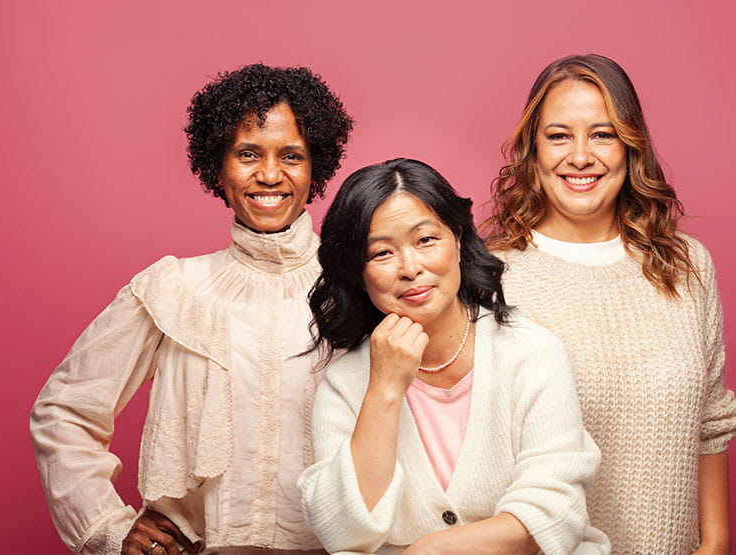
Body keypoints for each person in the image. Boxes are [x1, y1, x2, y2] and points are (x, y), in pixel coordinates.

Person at [30, 63, 353, 554]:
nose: (270, 174)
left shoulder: (356, 286)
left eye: (291, 156)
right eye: (248, 154)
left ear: (315, 169)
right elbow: (64, 411)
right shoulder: (172, 289)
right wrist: (106, 526)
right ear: (218, 168)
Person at [483, 54, 736, 554]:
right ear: (533, 150)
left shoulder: (687, 266)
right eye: (559, 136)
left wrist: (715, 542)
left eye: (602, 135)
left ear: (631, 147)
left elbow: (711, 424)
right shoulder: (492, 276)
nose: (581, 156)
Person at [298, 158, 609, 555]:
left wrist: (432, 550)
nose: (410, 268)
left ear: (458, 240)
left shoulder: (531, 354)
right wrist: (384, 390)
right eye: (381, 253)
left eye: (426, 240)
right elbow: (341, 533)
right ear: (358, 273)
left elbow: (554, 513)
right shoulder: (344, 383)